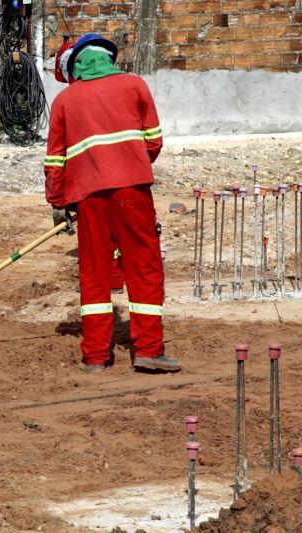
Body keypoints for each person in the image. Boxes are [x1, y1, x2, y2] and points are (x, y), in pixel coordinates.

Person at [44, 33, 180, 373]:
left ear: (76, 65)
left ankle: (94, 356)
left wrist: (58, 201)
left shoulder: (64, 101)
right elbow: (153, 142)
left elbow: (55, 160)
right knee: (144, 267)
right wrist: (128, 160)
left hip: (88, 198)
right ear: (109, 59)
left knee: (94, 272)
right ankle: (148, 350)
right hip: (133, 192)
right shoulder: (134, 86)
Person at [54, 40, 125, 294]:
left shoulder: (74, 97)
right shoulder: (117, 88)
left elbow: (58, 157)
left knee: (102, 233)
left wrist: (59, 200)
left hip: (96, 180)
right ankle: (113, 277)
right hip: (122, 175)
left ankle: (110, 280)